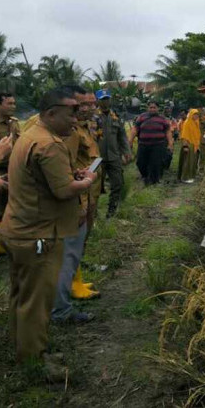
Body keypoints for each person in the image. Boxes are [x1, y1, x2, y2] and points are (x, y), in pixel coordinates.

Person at [0, 88, 96, 369]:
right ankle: (35, 361)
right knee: (36, 304)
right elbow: (65, 190)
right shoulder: (50, 144)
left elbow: (45, 179)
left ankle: (22, 349)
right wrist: (86, 181)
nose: (76, 120)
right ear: (51, 113)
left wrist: (71, 175)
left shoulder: (30, 135)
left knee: (22, 296)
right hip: (38, 234)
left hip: (18, 230)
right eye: (71, 113)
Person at [51, 86, 99, 322]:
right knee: (67, 253)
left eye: (92, 104)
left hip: (85, 192)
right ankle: (60, 308)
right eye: (83, 105)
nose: (88, 108)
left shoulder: (82, 127)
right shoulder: (66, 133)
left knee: (74, 250)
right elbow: (66, 171)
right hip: (74, 197)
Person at [95, 89, 132, 218]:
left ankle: (111, 211)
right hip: (96, 158)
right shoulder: (93, 117)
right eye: (103, 99)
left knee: (117, 184)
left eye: (107, 99)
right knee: (95, 188)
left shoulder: (115, 116)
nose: (105, 101)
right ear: (97, 101)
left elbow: (122, 136)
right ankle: (93, 214)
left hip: (114, 156)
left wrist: (126, 151)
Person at [0, 93, 20, 260]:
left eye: (14, 103)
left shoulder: (15, 123)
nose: (13, 106)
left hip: (13, 169)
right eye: (9, 103)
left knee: (8, 207)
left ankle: (0, 242)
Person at [128, 101, 173, 185]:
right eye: (150, 107)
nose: (152, 109)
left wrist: (170, 144)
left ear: (158, 108)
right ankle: (145, 176)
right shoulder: (141, 117)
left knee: (155, 164)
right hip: (143, 145)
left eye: (154, 107)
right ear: (147, 108)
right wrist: (130, 141)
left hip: (158, 145)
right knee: (140, 162)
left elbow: (168, 131)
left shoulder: (162, 119)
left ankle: (153, 182)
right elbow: (135, 129)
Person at [177, 108, 201, 183]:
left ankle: (191, 176)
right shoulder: (187, 123)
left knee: (193, 162)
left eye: (197, 114)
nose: (196, 116)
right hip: (188, 144)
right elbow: (184, 136)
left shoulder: (195, 123)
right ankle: (185, 177)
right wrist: (185, 146)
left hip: (194, 145)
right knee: (187, 162)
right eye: (195, 114)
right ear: (191, 115)